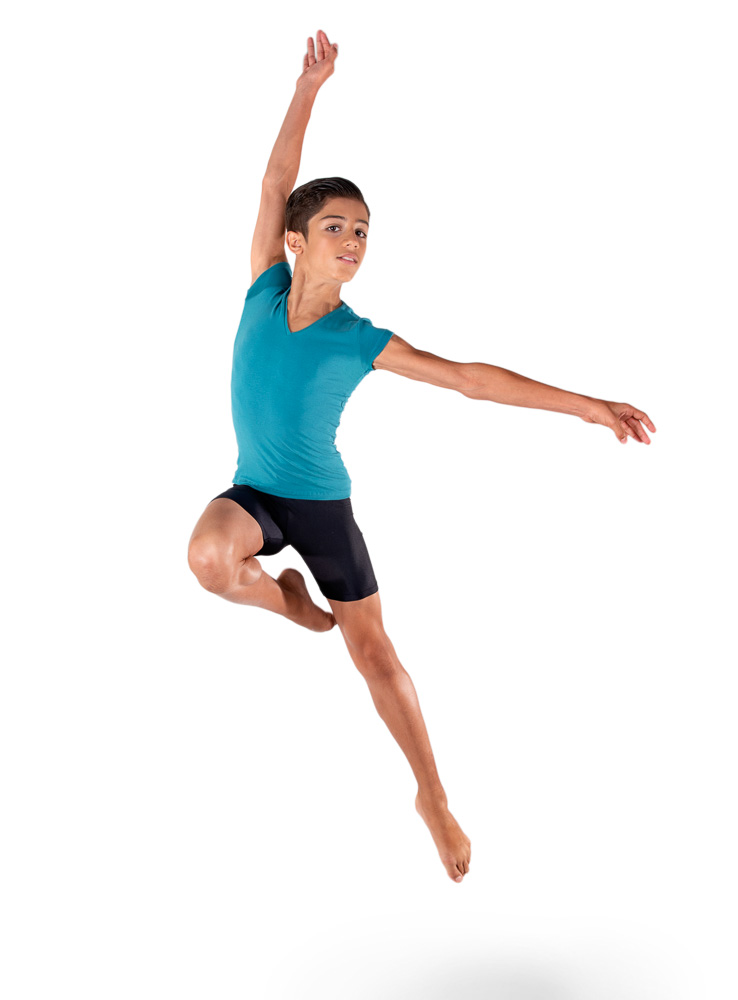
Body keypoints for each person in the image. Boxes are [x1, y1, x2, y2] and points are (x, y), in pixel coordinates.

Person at [187, 29, 656, 885]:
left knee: (375, 656)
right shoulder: (262, 283)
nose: (353, 240)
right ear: (296, 240)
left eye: (363, 231)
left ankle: (432, 796)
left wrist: (591, 407)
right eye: (336, 227)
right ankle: (290, 604)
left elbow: (471, 380)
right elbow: (273, 183)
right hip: (252, 491)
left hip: (320, 505)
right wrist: (309, 88)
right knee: (209, 559)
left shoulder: (359, 337)